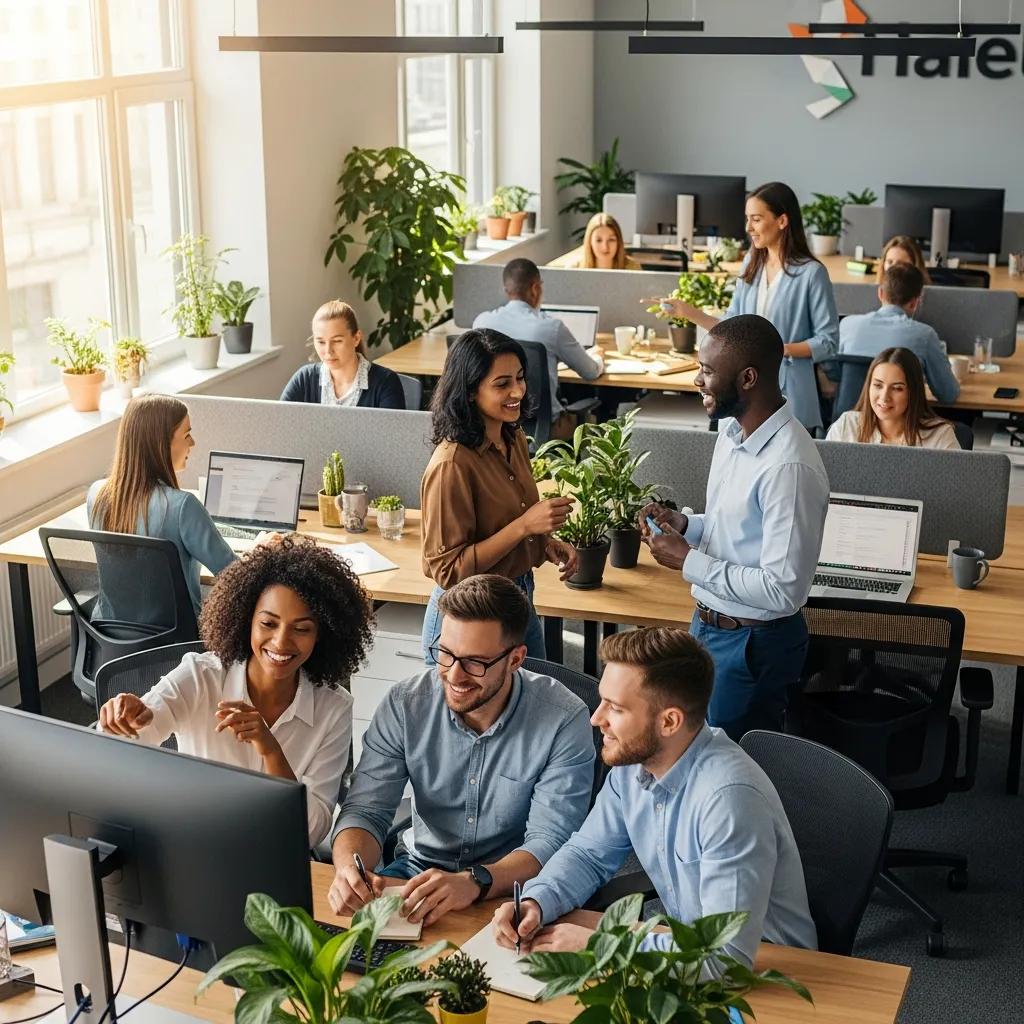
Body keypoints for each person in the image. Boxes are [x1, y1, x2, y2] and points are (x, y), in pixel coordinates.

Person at [492, 627, 816, 965]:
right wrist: (536, 902)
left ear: (669, 722)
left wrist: (601, 945)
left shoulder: (728, 800)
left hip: (772, 972)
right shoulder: (634, 767)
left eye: (615, 708)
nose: (596, 718)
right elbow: (588, 855)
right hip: (685, 949)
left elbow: (727, 958)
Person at [328, 574, 595, 927]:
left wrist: (475, 882)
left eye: (475, 662)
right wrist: (350, 868)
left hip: (512, 889)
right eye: (446, 654)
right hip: (417, 872)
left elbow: (550, 842)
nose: (454, 675)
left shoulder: (563, 719)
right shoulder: (405, 703)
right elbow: (365, 810)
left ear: (515, 659)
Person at [98, 536, 374, 846]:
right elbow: (122, 745)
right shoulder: (200, 676)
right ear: (246, 621)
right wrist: (123, 719)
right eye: (268, 623)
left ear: (323, 634)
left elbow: (309, 834)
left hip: (273, 857)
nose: (281, 642)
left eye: (302, 629)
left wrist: (271, 750)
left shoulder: (334, 708)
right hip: (196, 843)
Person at [639, 315, 829, 740]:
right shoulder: (731, 432)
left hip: (751, 644)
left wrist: (689, 561)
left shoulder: (789, 468)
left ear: (747, 378)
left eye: (707, 371)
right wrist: (685, 526)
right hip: (706, 624)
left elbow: (783, 590)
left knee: (733, 769)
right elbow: (734, 529)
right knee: (692, 753)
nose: (696, 380)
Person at [419, 329, 578, 661]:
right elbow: (447, 573)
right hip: (467, 616)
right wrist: (524, 527)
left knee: (534, 704)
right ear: (470, 391)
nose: (517, 390)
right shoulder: (452, 465)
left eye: (520, 378)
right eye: (502, 383)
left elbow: (506, 519)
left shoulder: (513, 436)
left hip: (517, 596)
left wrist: (544, 543)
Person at [657, 182, 838, 432]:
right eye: (747, 219)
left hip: (789, 392)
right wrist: (686, 312)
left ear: (782, 221)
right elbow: (732, 328)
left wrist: (777, 349)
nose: (748, 228)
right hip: (742, 391)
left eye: (756, 219)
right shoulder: (751, 263)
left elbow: (828, 342)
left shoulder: (812, 274)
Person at [88, 394, 236, 619]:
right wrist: (261, 549)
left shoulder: (97, 495)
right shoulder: (183, 507)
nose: (192, 443)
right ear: (161, 445)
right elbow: (235, 574)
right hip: (176, 644)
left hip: (113, 640)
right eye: (187, 435)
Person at [472, 259, 604, 432]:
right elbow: (590, 372)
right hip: (543, 430)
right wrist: (598, 357)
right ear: (535, 288)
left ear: (507, 290)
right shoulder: (551, 328)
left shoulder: (481, 323)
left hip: (494, 428)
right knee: (595, 423)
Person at [839, 263, 959, 403]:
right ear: (915, 303)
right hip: (900, 423)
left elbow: (835, 378)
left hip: (851, 421)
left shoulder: (847, 325)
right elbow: (948, 394)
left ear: (880, 293)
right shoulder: (925, 335)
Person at [280, 300, 406, 409]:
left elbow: (392, 436)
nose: (328, 351)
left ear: (356, 338)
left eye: (337, 341)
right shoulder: (304, 379)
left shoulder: (386, 383)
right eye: (321, 342)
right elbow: (278, 425)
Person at [827, 347, 959, 450]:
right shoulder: (846, 426)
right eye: (878, 385)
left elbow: (957, 484)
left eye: (897, 388)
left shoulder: (940, 436)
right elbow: (822, 478)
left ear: (913, 392)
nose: (884, 397)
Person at [565, 213, 641, 270]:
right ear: (590, 242)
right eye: (598, 240)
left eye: (611, 240)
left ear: (618, 242)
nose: (605, 247)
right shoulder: (574, 270)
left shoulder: (633, 268)